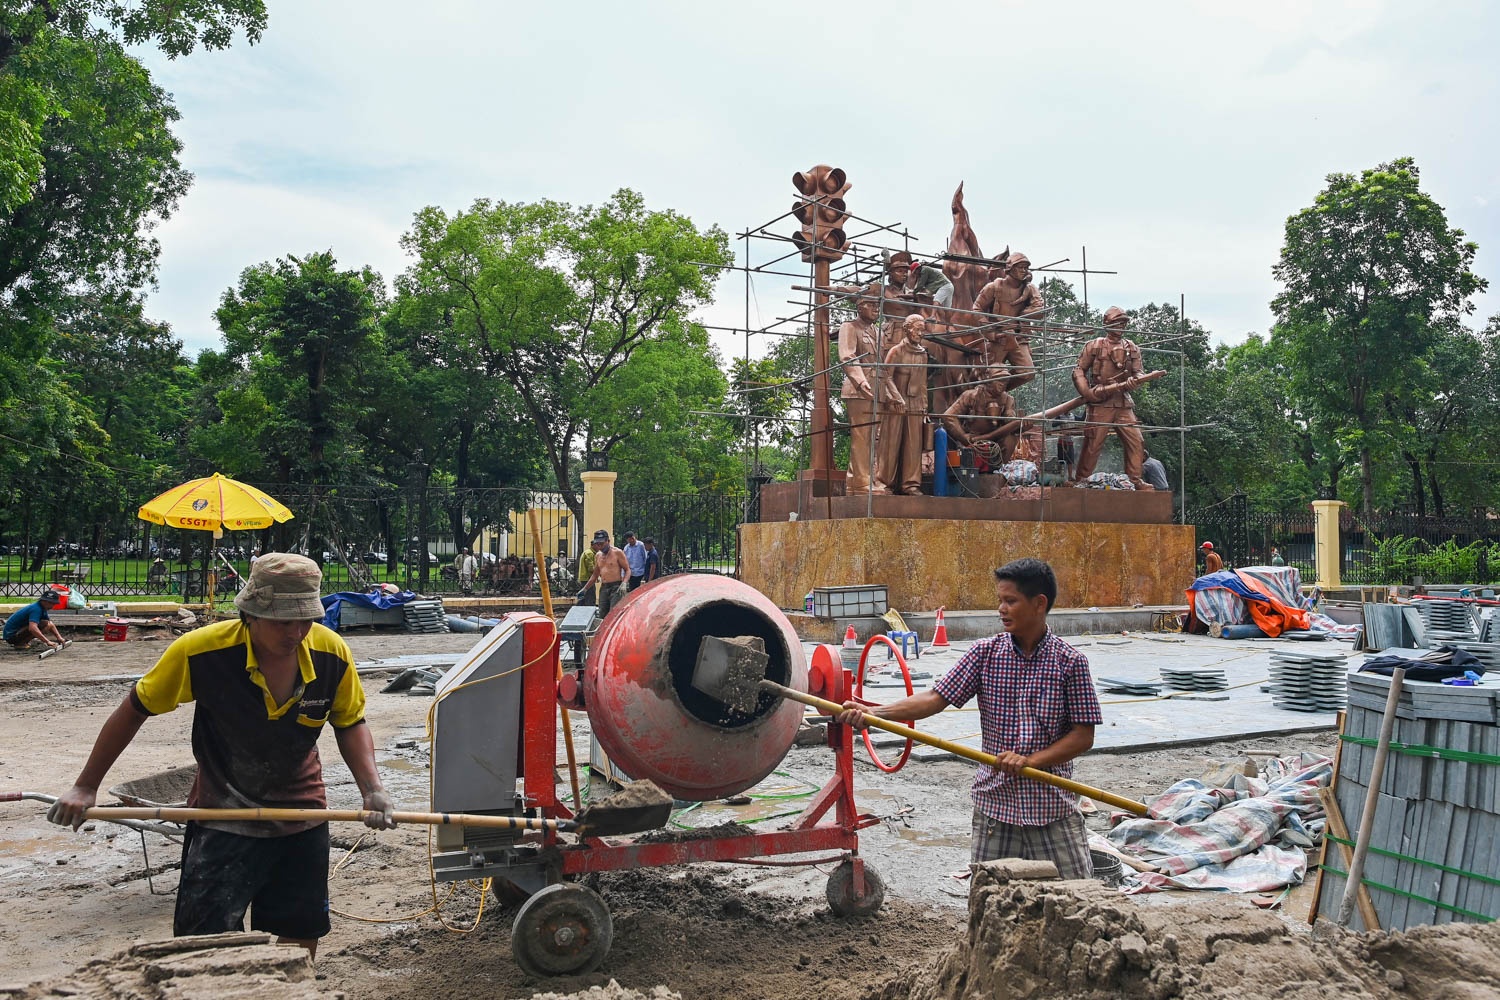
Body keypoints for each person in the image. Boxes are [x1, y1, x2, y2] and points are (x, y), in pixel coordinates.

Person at [46, 554, 394, 958]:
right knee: (203, 944)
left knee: (299, 934)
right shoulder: (201, 653)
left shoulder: (330, 652)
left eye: (306, 620)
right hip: (222, 816)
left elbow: (349, 722)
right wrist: (86, 786)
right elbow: (134, 710)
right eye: (284, 621)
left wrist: (373, 790)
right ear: (251, 613)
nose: (296, 632)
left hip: (302, 815)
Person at [836, 558, 1102, 878]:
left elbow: (1083, 736)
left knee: (1076, 898)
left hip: (1051, 808)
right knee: (988, 905)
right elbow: (936, 698)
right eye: (1000, 601)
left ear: (1039, 603)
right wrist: (876, 713)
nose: (1001, 609)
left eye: (1010, 601)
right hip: (995, 807)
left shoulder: (1070, 663)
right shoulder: (985, 654)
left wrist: (1031, 761)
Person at [1071, 307, 1153, 490]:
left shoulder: (1131, 347)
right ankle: (1082, 479)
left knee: (1136, 440)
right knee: (1093, 442)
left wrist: (1136, 381)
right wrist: (1087, 392)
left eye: (1124, 322)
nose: (1121, 325)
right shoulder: (1094, 345)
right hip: (1100, 403)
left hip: (1123, 403)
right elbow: (1078, 371)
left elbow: (1139, 372)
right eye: (1117, 322)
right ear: (1106, 324)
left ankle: (1134, 479)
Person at [838, 294, 900, 493]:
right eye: (871, 305)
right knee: (862, 436)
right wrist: (860, 380)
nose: (876, 308)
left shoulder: (878, 332)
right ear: (860, 307)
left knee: (873, 437)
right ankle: (862, 482)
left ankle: (857, 479)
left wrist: (892, 394)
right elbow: (847, 355)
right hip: (859, 391)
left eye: (878, 305)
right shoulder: (850, 327)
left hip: (878, 390)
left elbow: (883, 367)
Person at [875, 314, 930, 496]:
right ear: (907, 329)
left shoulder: (923, 354)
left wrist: (924, 405)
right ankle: (884, 482)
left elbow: (923, 382)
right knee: (890, 443)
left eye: (923, 330)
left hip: (915, 402)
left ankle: (910, 483)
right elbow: (885, 376)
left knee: (913, 444)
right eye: (917, 329)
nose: (920, 333)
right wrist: (895, 398)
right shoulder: (896, 351)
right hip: (896, 403)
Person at [972, 253, 1044, 390]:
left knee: (1028, 373)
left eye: (1026, 268)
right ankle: (986, 392)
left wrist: (1025, 314)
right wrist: (991, 333)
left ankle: (999, 391)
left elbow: (1039, 311)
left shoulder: (1029, 289)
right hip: (999, 339)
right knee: (990, 375)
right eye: (1020, 267)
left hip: (1018, 339)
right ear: (1010, 268)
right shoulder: (994, 287)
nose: (1024, 270)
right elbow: (977, 308)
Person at [940, 364, 1020, 469]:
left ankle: (999, 468)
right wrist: (963, 437)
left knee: (1011, 438)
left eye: (1005, 381)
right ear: (989, 380)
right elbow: (948, 416)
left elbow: (1010, 419)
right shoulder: (971, 396)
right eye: (999, 380)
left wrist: (1011, 417)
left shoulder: (1007, 399)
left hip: (995, 440)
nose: (1002, 384)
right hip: (972, 439)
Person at [581, 530, 631, 615]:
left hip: (616, 587)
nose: (600, 546)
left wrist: (624, 583)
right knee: (602, 612)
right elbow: (595, 575)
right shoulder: (598, 555)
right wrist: (585, 589)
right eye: (598, 544)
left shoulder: (617, 553)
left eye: (602, 544)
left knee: (614, 612)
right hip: (604, 587)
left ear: (608, 541)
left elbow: (628, 570)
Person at [575, 539, 600, 605]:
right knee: (590, 597)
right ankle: (590, 610)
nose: (599, 547)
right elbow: (591, 568)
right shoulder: (590, 553)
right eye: (597, 545)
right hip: (587, 578)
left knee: (584, 597)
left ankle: (579, 609)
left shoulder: (589, 552)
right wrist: (597, 576)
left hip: (585, 578)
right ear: (593, 545)